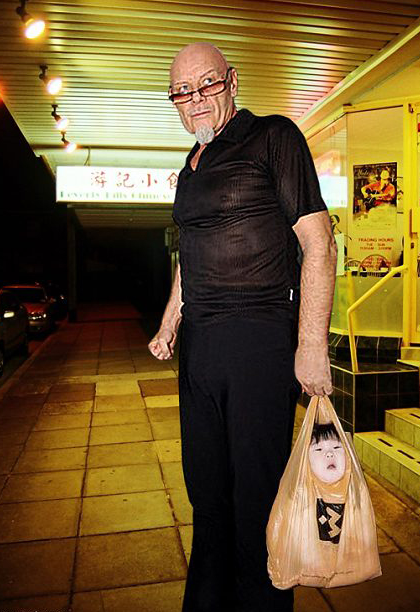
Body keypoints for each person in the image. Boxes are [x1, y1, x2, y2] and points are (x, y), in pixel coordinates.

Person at [148, 42, 337, 612]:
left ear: (232, 81)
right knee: (207, 497)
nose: (195, 99)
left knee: (258, 500)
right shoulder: (191, 166)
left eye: (206, 84)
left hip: (258, 340)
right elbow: (191, 254)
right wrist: (170, 321)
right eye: (182, 91)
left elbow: (319, 243)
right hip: (200, 350)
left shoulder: (273, 137)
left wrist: (311, 346)